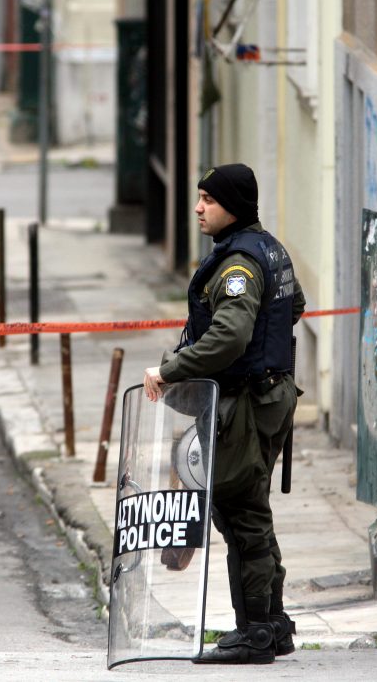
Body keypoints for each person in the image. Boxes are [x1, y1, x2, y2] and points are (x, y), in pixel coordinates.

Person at [143, 163, 305, 665]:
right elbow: (294, 306)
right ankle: (274, 623)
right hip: (272, 394)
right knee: (253, 507)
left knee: (239, 514)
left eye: (208, 200)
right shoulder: (268, 249)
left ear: (232, 206)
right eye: (198, 198)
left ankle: (254, 630)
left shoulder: (237, 267)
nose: (198, 208)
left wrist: (172, 369)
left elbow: (230, 336)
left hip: (247, 404)